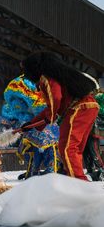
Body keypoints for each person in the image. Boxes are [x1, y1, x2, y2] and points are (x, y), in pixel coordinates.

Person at [21, 51, 99, 181]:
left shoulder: (46, 78)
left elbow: (55, 98)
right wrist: (31, 124)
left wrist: (49, 117)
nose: (25, 75)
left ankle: (79, 183)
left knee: (67, 148)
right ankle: (77, 180)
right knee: (75, 149)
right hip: (89, 107)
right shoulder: (58, 75)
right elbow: (51, 108)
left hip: (78, 109)